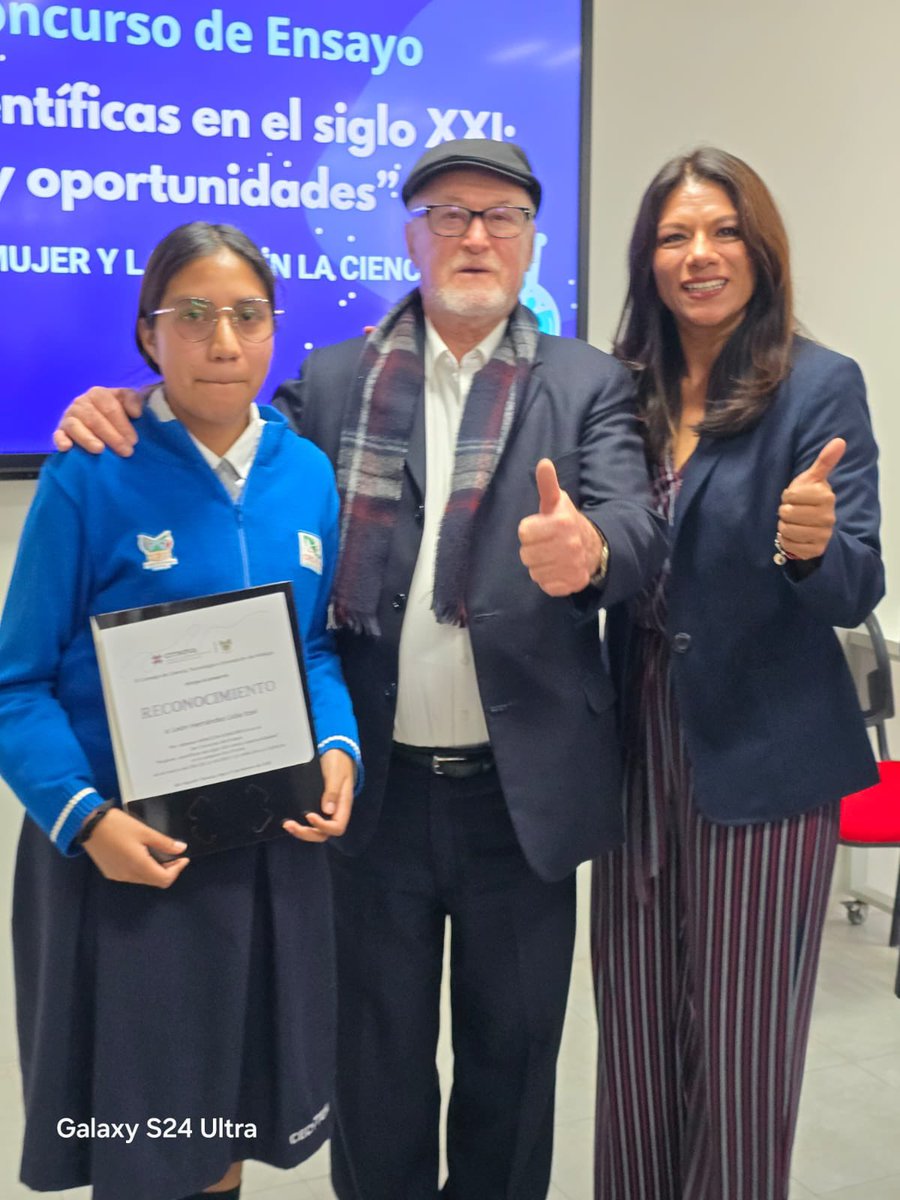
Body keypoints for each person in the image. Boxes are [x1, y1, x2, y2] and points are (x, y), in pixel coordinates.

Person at [54, 139, 668, 1200]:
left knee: (513, 1070)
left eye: (502, 216)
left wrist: (595, 551)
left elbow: (634, 524)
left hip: (521, 803)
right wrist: (119, 401)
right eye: (449, 213)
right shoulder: (335, 377)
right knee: (373, 1072)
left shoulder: (590, 382)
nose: (475, 235)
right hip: (363, 795)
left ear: (531, 240)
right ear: (410, 234)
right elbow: (221, 434)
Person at [0, 221, 361, 1200]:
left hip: (265, 853)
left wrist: (338, 748)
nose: (223, 341)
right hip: (130, 862)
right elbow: (16, 683)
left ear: (275, 329)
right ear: (149, 333)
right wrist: (87, 820)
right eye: (192, 315)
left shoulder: (306, 476)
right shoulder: (91, 470)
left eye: (247, 315)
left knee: (226, 1138)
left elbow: (314, 649)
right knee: (149, 1150)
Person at [592, 147, 883, 1200]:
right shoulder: (615, 390)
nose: (699, 255)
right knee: (631, 1050)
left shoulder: (819, 384)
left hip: (763, 760)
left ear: (760, 250)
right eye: (673, 236)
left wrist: (810, 546)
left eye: (722, 231)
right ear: (648, 260)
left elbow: (856, 583)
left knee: (744, 1062)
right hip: (633, 754)